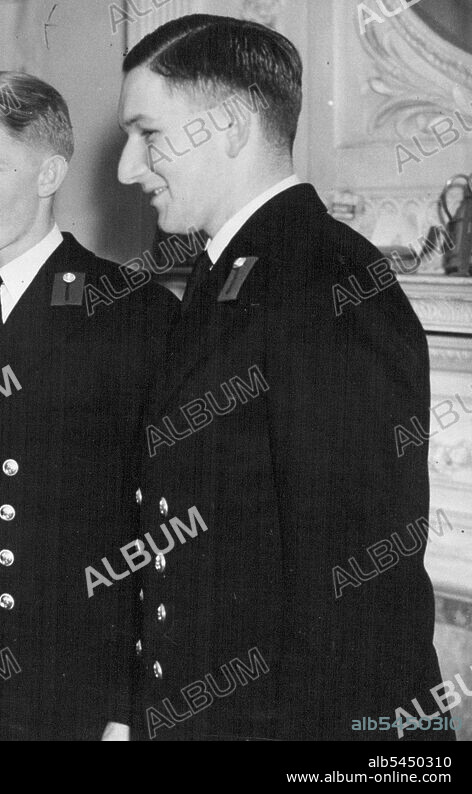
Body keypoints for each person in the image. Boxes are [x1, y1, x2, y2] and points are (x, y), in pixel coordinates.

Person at [118, 14, 452, 740]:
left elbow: (361, 596)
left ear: (230, 126)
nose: (126, 168)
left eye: (148, 134)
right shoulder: (235, 271)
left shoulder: (326, 280)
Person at [0, 71, 178, 741]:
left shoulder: (129, 314)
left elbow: (155, 536)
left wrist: (125, 710)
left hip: (65, 701)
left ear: (49, 173)